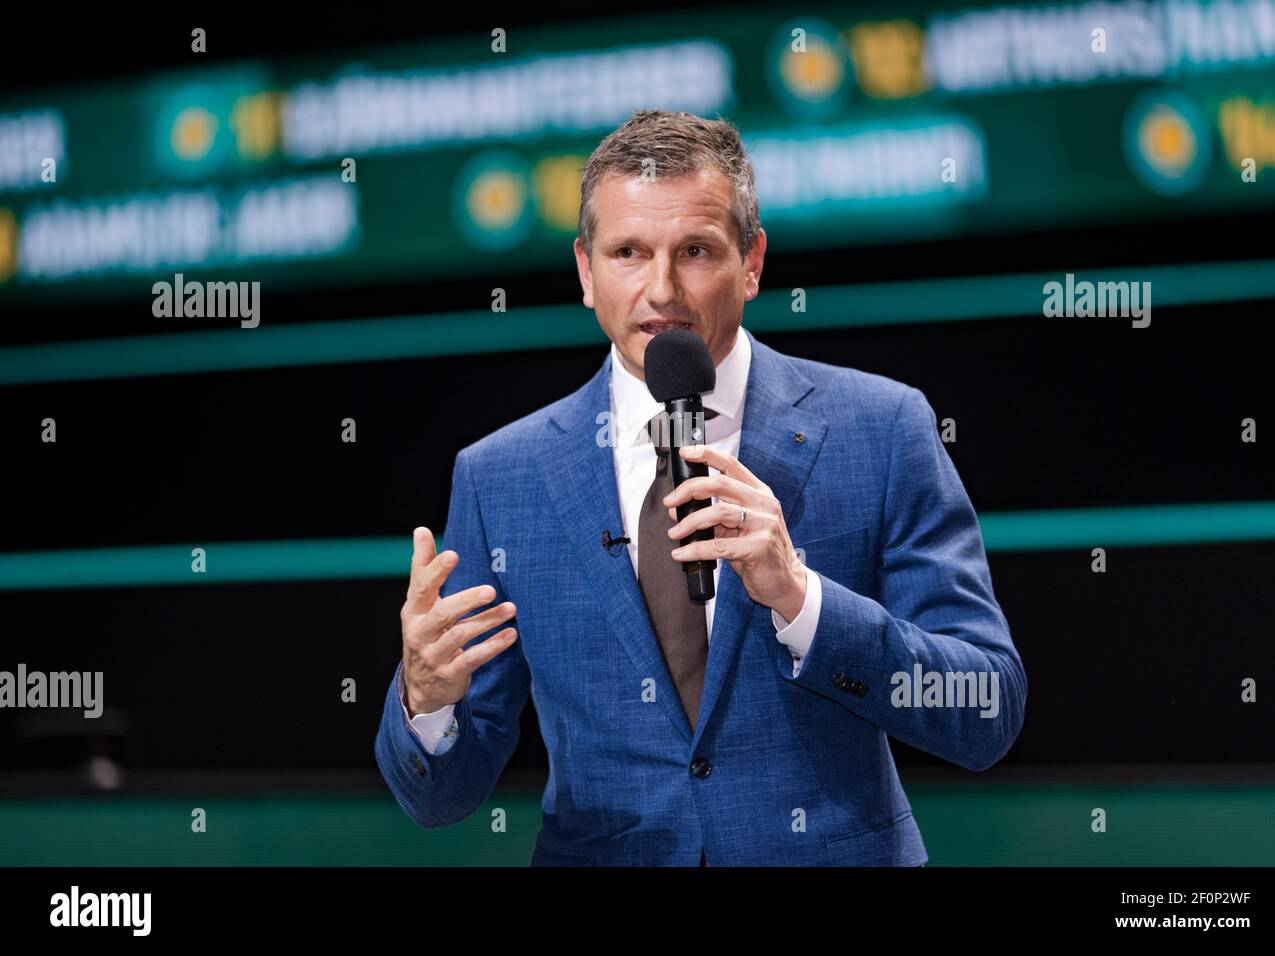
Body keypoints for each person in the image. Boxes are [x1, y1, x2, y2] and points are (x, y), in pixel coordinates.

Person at [375, 109, 1026, 866]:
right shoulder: (501, 477)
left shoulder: (880, 428)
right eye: (627, 252)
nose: (661, 289)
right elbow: (441, 797)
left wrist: (801, 599)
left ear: (752, 262)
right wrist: (426, 700)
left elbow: (985, 711)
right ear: (586, 272)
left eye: (694, 250)